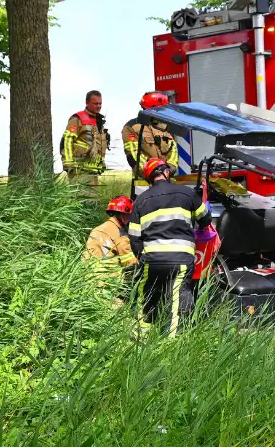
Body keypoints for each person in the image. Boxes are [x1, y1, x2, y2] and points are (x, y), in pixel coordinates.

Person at [128, 157, 212, 336]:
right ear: (166, 172)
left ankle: (140, 337)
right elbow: (205, 220)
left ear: (150, 178)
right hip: (181, 258)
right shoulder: (186, 193)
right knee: (178, 297)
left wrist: (143, 257)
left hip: (152, 258)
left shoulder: (140, 200)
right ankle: (172, 344)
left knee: (147, 296)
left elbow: (134, 237)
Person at [122, 92, 178, 181]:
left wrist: (170, 170)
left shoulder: (165, 126)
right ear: (154, 109)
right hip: (144, 182)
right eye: (163, 109)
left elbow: (173, 152)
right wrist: (155, 173)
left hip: (167, 180)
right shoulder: (132, 127)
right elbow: (133, 156)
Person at [61, 90, 110, 185]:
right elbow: (67, 141)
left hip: (93, 170)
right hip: (79, 170)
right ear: (87, 103)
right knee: (81, 199)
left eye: (100, 103)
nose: (99, 106)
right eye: (95, 103)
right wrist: (69, 165)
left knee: (93, 199)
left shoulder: (98, 121)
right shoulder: (77, 119)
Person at [85, 195, 138, 278]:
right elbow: (129, 263)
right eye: (129, 215)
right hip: (108, 280)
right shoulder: (121, 235)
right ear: (124, 215)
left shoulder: (97, 230)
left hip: (88, 275)